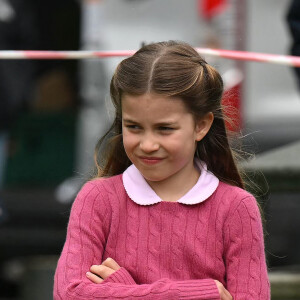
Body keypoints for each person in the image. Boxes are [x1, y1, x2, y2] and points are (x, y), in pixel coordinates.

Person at [53, 40, 270, 300]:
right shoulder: (97, 199)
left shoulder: (237, 208)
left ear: (201, 125)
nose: (147, 144)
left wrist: (124, 289)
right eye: (133, 127)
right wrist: (199, 293)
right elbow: (70, 294)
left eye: (165, 129)